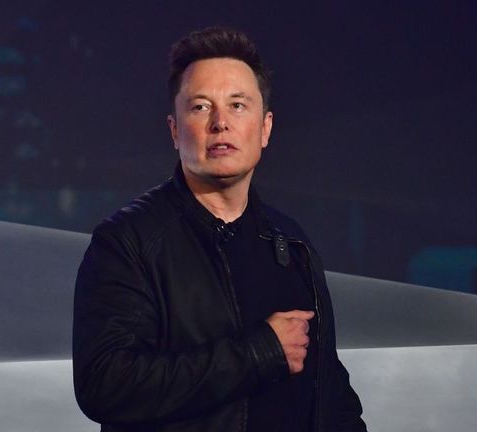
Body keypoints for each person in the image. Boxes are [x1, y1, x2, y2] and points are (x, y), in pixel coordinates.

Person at [72, 27, 366, 432]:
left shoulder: (290, 242)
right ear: (175, 130)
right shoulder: (128, 242)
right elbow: (105, 384)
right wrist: (259, 352)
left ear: (265, 129)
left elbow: (329, 387)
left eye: (238, 105)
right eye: (200, 107)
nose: (221, 123)